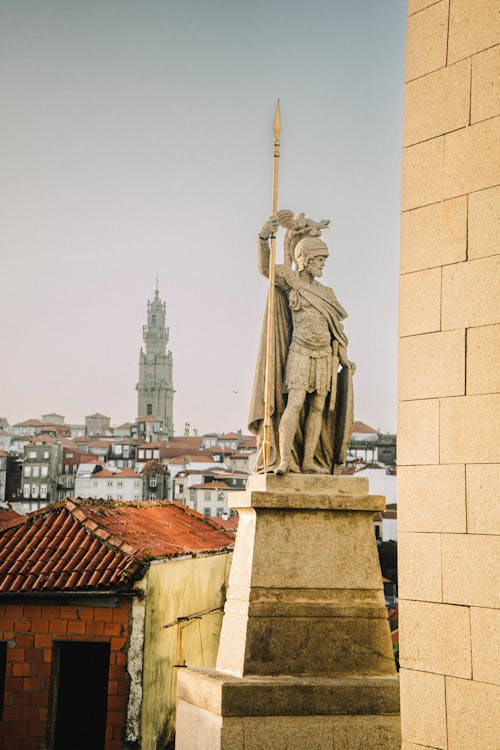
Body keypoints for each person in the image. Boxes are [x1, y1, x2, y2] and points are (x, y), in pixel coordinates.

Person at [248, 212, 355, 474]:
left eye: (323, 260)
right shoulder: (292, 281)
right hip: (300, 353)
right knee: (294, 404)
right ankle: (285, 460)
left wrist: (342, 356)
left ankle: (308, 462)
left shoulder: (326, 293)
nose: (322, 265)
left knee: (317, 408)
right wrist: (264, 237)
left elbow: (335, 329)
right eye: (318, 260)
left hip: (323, 357)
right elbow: (266, 270)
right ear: (305, 260)